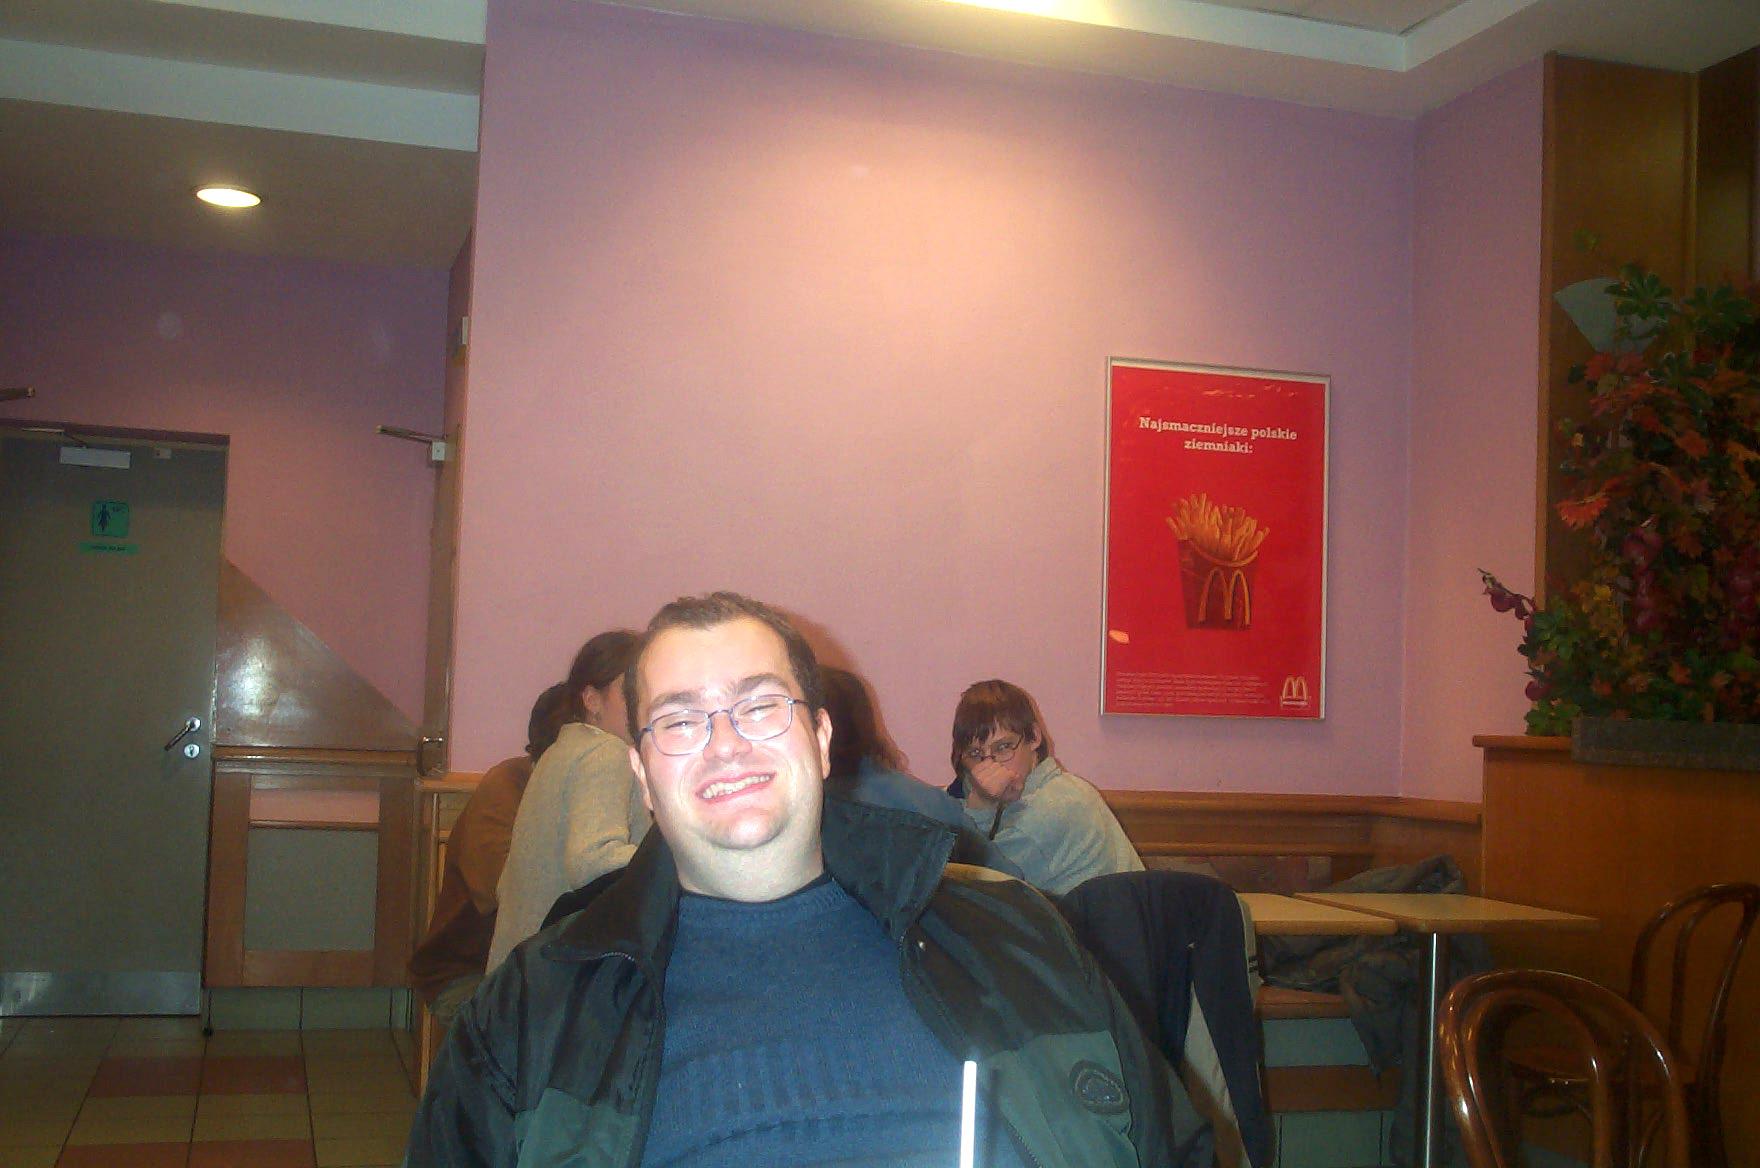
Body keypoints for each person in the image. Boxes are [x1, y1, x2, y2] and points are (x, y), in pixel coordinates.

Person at [408, 592, 1209, 1168]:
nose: (725, 742)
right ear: (642, 775)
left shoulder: (1018, 938)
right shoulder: (534, 1009)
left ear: (821, 739)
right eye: (680, 721)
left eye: (760, 707)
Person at [407, 682, 577, 1028]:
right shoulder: (507, 785)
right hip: (469, 974)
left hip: (546, 969)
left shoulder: (591, 790)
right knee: (568, 1030)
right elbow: (502, 890)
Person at [485, 629, 646, 973]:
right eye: (630, 692)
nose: (643, 705)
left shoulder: (561, 750)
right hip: (553, 975)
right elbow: (592, 861)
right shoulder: (604, 752)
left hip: (519, 973)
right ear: (591, 699)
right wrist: (678, 857)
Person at [820, 665, 1024, 878]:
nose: (990, 762)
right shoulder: (928, 803)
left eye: (1003, 747)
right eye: (975, 753)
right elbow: (1006, 880)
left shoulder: (818, 810)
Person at [948, 678, 1144, 896]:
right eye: (976, 753)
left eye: (1003, 747)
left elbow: (969, 887)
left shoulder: (1049, 811)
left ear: (1034, 737)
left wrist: (980, 804)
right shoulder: (1064, 786)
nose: (991, 767)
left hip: (1097, 919)